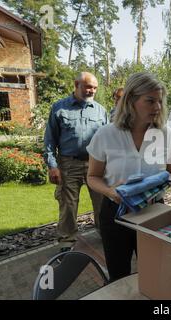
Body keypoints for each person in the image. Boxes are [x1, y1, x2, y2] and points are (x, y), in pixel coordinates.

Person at [86, 72, 171, 281]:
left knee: (155, 274)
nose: (157, 107)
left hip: (154, 212)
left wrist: (160, 183)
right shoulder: (106, 134)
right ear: (131, 100)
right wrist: (111, 192)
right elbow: (92, 177)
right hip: (116, 215)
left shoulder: (165, 134)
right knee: (119, 276)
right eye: (150, 101)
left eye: (159, 101)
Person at [44, 72, 108, 250]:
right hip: (68, 164)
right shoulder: (59, 108)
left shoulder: (101, 111)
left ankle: (106, 232)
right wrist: (52, 166)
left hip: (96, 164)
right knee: (68, 205)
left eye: (95, 88)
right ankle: (67, 241)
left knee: (102, 202)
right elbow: (50, 140)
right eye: (88, 87)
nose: (92, 91)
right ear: (76, 84)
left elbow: (108, 140)